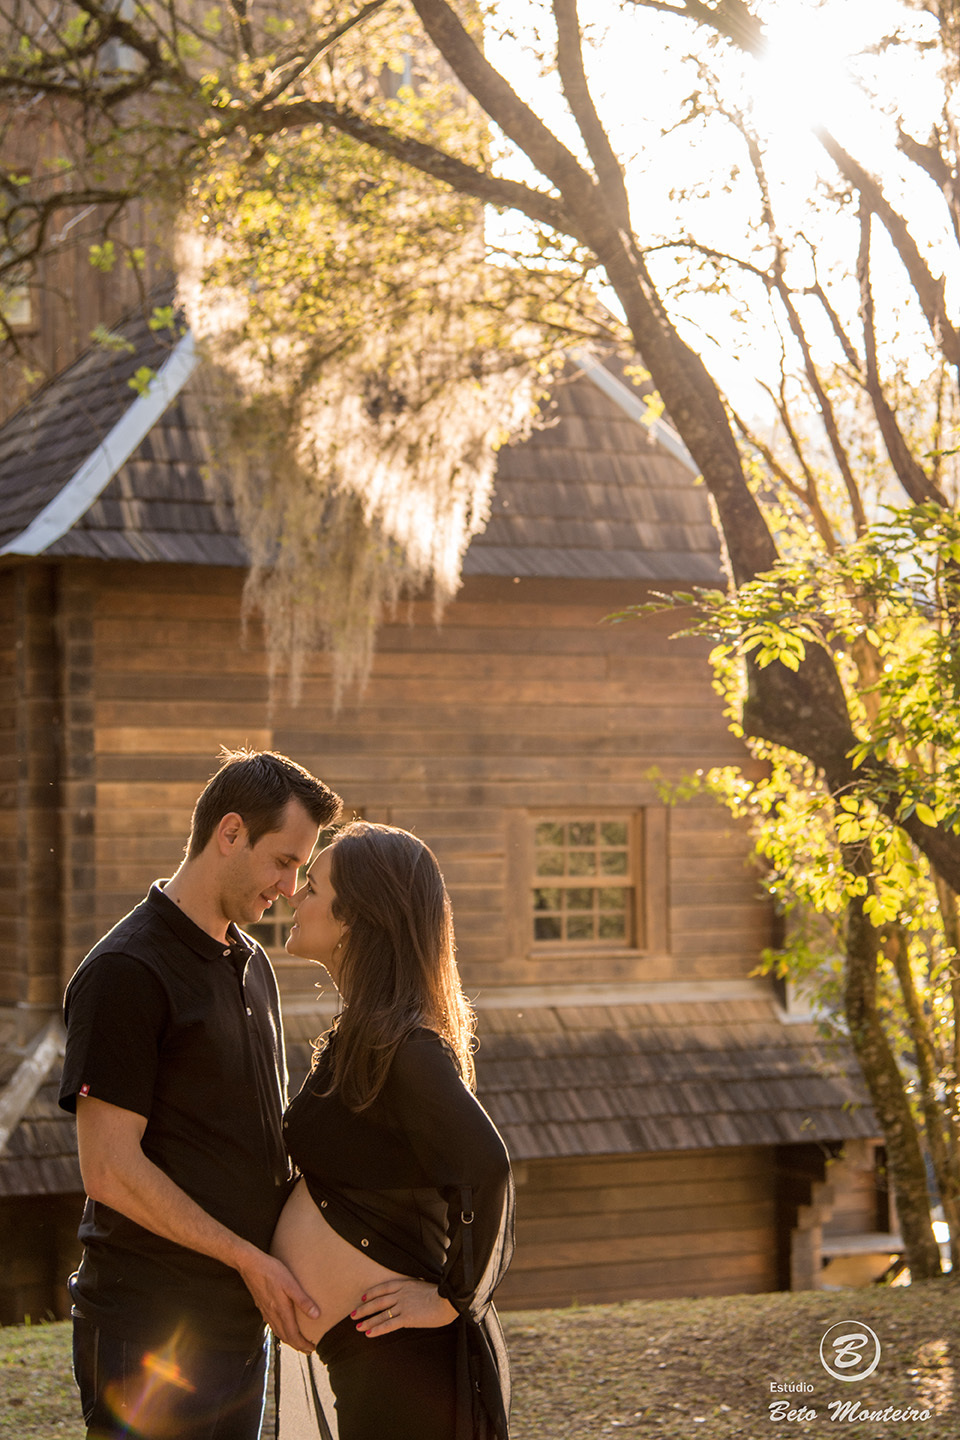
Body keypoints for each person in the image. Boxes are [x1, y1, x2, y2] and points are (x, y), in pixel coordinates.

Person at [58, 748, 342, 1440]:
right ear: (231, 833)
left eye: (300, 869)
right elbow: (110, 1170)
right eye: (283, 861)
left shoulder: (251, 966)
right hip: (148, 1327)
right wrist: (249, 1258)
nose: (289, 885)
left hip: (237, 1320)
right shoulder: (126, 972)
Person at [271, 821, 514, 1440]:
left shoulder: (405, 1046)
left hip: (403, 1366)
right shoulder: (365, 1035)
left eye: (315, 887)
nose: (297, 895)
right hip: (370, 1360)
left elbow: (486, 1167)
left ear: (355, 917)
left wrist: (450, 1299)